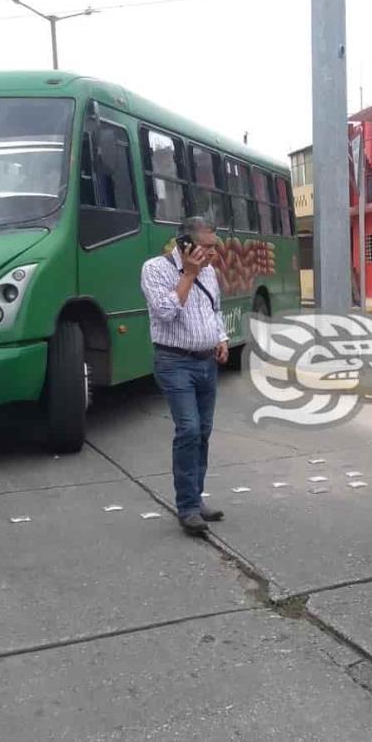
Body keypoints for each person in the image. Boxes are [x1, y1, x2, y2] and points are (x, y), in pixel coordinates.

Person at [141, 217, 230, 536]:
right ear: (185, 245)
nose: (211, 252)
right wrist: (188, 276)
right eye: (205, 247)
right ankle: (188, 508)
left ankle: (196, 497)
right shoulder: (155, 269)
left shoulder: (209, 271)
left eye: (213, 246)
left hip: (207, 362)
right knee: (189, 429)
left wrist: (221, 338)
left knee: (203, 431)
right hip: (174, 361)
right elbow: (165, 312)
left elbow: (214, 310)